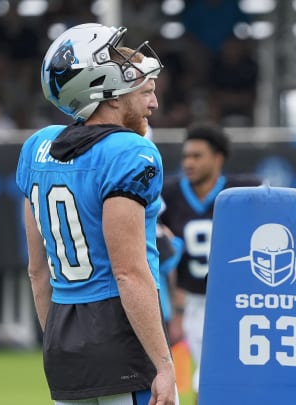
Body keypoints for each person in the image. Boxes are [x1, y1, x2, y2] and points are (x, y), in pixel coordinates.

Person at [15, 23, 177, 405]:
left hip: (62, 339)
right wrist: (165, 365)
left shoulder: (37, 146)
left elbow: (38, 271)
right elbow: (128, 271)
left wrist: (58, 339)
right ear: (110, 94)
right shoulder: (130, 153)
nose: (152, 105)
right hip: (122, 335)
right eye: (145, 92)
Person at [159, 123, 261, 401]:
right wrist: (176, 310)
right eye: (186, 156)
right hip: (191, 301)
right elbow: (166, 260)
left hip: (235, 300)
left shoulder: (243, 191)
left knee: (229, 376)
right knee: (205, 377)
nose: (188, 163)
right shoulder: (168, 195)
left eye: (197, 156)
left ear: (218, 158)